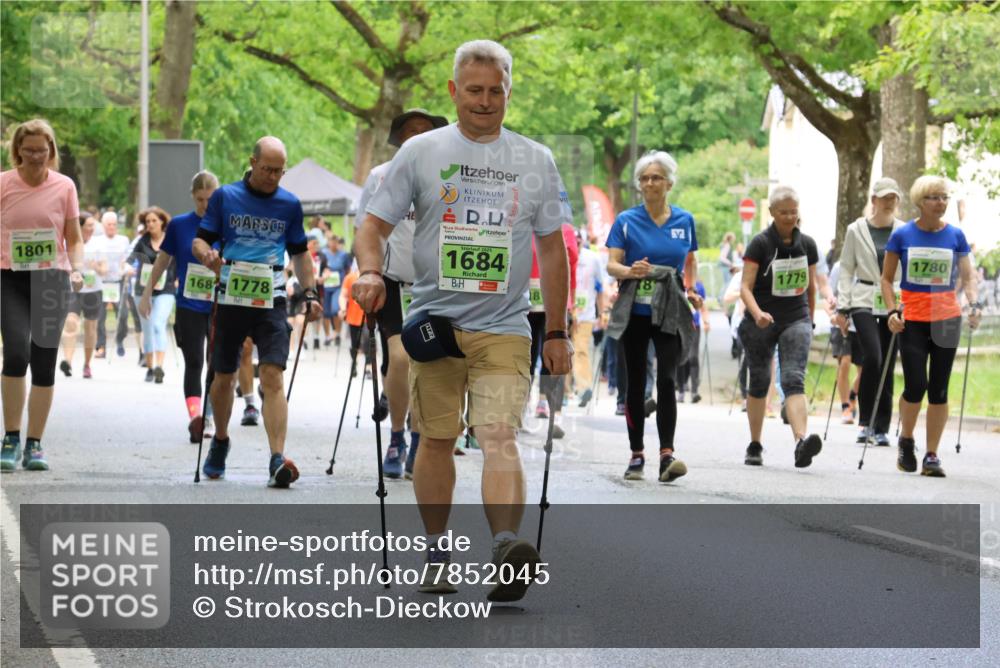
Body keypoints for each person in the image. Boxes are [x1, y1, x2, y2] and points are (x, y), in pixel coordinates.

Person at [352, 40, 572, 602]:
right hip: (435, 325)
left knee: (498, 435)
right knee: (437, 439)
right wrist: (373, 273)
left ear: (509, 92)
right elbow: (372, 226)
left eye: (496, 91)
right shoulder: (421, 152)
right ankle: (437, 548)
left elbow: (552, 250)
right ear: (454, 91)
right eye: (473, 90)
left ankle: (504, 548)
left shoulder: (534, 159)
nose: (485, 101)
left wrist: (556, 330)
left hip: (504, 326)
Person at [192, 136, 322, 488]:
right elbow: (201, 239)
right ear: (252, 162)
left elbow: (299, 254)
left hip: (272, 299)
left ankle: (277, 457)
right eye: (267, 169)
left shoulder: (289, 204)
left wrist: (309, 292)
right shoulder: (226, 197)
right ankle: (220, 439)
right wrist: (207, 255)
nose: (273, 177)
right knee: (223, 377)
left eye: (280, 171)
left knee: (272, 375)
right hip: (232, 296)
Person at [355, 108, 449, 478]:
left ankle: (419, 434)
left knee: (429, 363)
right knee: (400, 356)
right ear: (399, 139)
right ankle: (397, 438)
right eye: (410, 133)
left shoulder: (450, 177)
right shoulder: (380, 177)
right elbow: (366, 231)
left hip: (436, 285)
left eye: (425, 133)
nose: (418, 139)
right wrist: (368, 274)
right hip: (392, 281)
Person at [605, 150, 698, 482]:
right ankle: (636, 455)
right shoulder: (626, 220)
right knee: (635, 382)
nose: (649, 183)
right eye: (644, 178)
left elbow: (689, 260)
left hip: (670, 307)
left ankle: (666, 456)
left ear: (669, 183)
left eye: (656, 177)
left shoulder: (684, 220)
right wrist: (630, 270)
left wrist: (692, 290)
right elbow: (611, 264)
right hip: (635, 309)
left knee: (668, 380)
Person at [882, 175, 980, 478]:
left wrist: (973, 305)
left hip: (947, 318)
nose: (941, 203)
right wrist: (891, 312)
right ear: (920, 202)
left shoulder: (956, 236)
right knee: (916, 385)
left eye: (944, 197)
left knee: (939, 388)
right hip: (912, 319)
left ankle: (932, 455)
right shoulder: (903, 236)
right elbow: (886, 279)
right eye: (934, 197)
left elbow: (968, 277)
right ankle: (906, 438)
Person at [1, 119, 84, 472]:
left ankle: (35, 443)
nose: (37, 156)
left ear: (52, 150)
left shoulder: (64, 186)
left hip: (52, 277)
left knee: (45, 358)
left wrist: (77, 268)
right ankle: (11, 438)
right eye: (30, 149)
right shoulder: (4, 183)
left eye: (43, 149)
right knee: (17, 352)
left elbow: (74, 237)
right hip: (9, 277)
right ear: (18, 150)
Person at [738, 186, 822, 468]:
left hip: (796, 318)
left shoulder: (807, 245)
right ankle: (755, 443)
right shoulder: (760, 244)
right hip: (760, 320)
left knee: (793, 379)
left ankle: (801, 441)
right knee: (760, 380)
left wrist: (809, 319)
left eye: (793, 211)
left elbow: (810, 286)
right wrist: (758, 313)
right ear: (772, 212)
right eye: (783, 212)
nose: (789, 217)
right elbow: (745, 288)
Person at [140, 171, 220, 442]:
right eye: (200, 199)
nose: (205, 205)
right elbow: (163, 259)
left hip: (220, 303)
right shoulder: (180, 225)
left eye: (210, 199)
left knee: (216, 363)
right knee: (195, 361)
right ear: (192, 197)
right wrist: (147, 291)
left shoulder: (227, 224)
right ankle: (196, 417)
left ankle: (211, 415)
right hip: (189, 304)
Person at [130, 206, 176, 383]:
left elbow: (178, 260)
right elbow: (130, 260)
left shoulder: (170, 240)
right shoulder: (142, 241)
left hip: (166, 289)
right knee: (148, 329)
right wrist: (126, 268)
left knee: (158, 324)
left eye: (154, 220)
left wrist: (179, 277)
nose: (150, 224)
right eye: (147, 221)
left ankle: (159, 367)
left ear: (162, 222)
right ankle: (149, 368)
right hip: (143, 290)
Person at [59, 215, 105, 379]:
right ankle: (68, 361)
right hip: (74, 289)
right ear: (80, 226)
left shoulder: (99, 243)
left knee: (90, 328)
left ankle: (87, 364)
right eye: (89, 225)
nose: (93, 228)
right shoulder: (68, 242)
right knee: (71, 322)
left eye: (94, 225)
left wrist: (96, 267)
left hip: (93, 290)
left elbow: (104, 269)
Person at [90, 210, 132, 357]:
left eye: (114, 224)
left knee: (124, 315)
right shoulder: (96, 240)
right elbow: (91, 261)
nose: (112, 227)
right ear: (103, 225)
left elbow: (127, 260)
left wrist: (127, 268)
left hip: (118, 282)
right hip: (101, 283)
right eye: (109, 224)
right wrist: (96, 267)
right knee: (100, 317)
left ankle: (120, 339)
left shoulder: (123, 240)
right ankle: (100, 347)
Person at [573, 231, 606, 407]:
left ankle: (584, 388)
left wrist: (602, 313)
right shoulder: (561, 253)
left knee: (580, 350)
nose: (576, 244)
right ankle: (565, 390)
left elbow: (601, 289)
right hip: (565, 315)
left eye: (579, 241)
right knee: (564, 352)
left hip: (586, 315)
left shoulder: (593, 259)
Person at [676, 279, 709, 403]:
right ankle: (681, 390)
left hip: (694, 326)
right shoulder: (677, 281)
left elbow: (703, 306)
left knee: (693, 357)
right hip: (678, 325)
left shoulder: (699, 286)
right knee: (681, 358)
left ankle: (695, 391)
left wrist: (706, 321)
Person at [320, 234, 350, 346]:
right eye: (331, 242)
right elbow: (319, 267)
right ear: (328, 243)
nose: (333, 244)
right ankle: (327, 336)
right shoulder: (323, 254)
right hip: (326, 287)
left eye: (335, 242)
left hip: (339, 286)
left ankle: (336, 333)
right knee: (326, 313)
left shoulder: (343, 255)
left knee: (335, 309)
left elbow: (348, 269)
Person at [718, 231, 736, 301]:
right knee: (727, 282)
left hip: (724, 267)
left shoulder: (724, 244)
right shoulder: (727, 245)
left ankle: (721, 298)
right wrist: (730, 263)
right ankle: (721, 298)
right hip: (725, 267)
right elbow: (722, 257)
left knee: (727, 282)